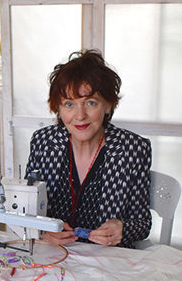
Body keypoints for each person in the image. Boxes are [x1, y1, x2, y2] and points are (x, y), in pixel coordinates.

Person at [25, 49, 152, 248]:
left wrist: (122, 228)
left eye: (90, 103)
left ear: (108, 105)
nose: (80, 115)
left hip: (108, 257)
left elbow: (143, 223)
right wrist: (42, 231)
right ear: (58, 108)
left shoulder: (132, 149)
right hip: (54, 253)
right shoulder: (44, 142)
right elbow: (25, 209)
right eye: (69, 104)